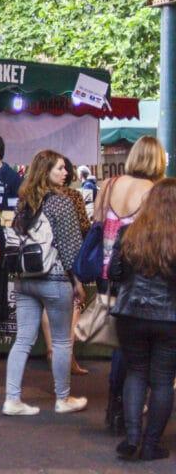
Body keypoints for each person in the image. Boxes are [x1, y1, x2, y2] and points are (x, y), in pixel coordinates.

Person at [2, 149, 87, 416]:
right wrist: (78, 282)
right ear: (46, 171)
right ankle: (63, 398)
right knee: (61, 341)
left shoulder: (23, 202)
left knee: (23, 340)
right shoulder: (62, 202)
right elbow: (71, 247)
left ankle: (12, 399)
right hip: (55, 278)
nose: (66, 172)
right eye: (59, 168)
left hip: (25, 278)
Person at [95, 136, 167, 435]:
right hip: (135, 274)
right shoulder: (155, 192)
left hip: (106, 271)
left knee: (120, 341)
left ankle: (115, 406)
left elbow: (97, 223)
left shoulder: (109, 185)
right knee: (136, 350)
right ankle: (128, 410)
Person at [107, 178, 176, 462]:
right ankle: (151, 445)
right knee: (162, 381)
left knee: (135, 373)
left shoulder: (129, 233)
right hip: (170, 318)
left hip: (130, 313)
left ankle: (132, 438)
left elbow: (114, 273)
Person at [41, 157, 92, 377]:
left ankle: (52, 351)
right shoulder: (72, 197)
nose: (64, 172)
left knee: (47, 306)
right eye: (61, 168)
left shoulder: (35, 195)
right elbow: (83, 227)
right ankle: (66, 357)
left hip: (39, 262)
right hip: (65, 261)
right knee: (75, 303)